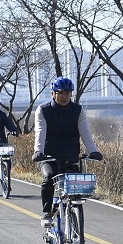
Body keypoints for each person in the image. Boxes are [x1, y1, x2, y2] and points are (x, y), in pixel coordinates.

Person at [32, 77, 103, 227]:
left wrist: (93, 151)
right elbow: (40, 132)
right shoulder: (43, 110)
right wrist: (38, 151)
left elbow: (85, 132)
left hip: (70, 156)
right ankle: (47, 213)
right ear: (53, 94)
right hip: (49, 156)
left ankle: (77, 238)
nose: (65, 96)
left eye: (68, 93)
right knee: (49, 177)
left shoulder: (78, 110)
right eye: (61, 93)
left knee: (75, 190)